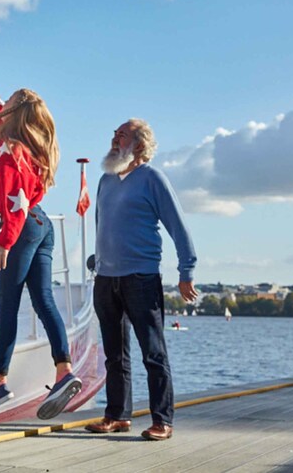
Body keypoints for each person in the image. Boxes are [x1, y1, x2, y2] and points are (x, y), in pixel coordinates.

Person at [0, 21, 82, 422]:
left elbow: (15, 207)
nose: (1, 101)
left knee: (7, 306)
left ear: (13, 112)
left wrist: (3, 244)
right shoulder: (12, 134)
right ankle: (64, 372)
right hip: (40, 228)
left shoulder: (10, 151)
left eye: (7, 100)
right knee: (43, 301)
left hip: (23, 229)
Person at [86, 119, 198, 441]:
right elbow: (102, 224)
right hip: (106, 278)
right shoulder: (106, 180)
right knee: (114, 354)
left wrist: (186, 271)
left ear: (138, 144)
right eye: (114, 134)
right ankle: (117, 416)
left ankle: (162, 420)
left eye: (121, 135)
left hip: (140, 278)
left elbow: (178, 225)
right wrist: (98, 258)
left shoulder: (152, 179)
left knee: (153, 353)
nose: (114, 139)